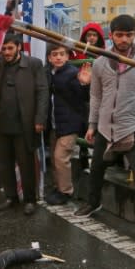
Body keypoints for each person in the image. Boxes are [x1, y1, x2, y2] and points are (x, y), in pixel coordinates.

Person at [75, 15, 135, 218]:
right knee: (96, 168)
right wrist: (92, 125)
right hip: (106, 125)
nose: (124, 39)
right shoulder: (100, 63)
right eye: (119, 35)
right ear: (111, 35)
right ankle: (93, 202)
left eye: (129, 35)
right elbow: (96, 96)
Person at [0, 33, 48, 215]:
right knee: (4, 164)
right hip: (1, 123)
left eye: (10, 48)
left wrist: (39, 119)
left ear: (19, 47)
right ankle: (11, 197)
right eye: (3, 48)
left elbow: (42, 92)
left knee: (26, 164)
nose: (6, 52)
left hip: (25, 124)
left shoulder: (34, 64)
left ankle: (30, 200)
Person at [44, 44, 90, 205]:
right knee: (55, 159)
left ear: (68, 56)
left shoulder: (72, 73)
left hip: (70, 124)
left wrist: (85, 84)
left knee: (60, 157)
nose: (58, 57)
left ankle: (65, 191)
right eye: (54, 54)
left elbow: (83, 96)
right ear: (49, 58)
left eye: (62, 54)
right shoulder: (49, 73)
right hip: (55, 123)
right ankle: (59, 187)